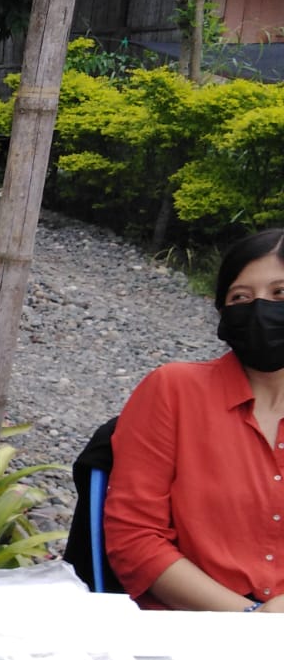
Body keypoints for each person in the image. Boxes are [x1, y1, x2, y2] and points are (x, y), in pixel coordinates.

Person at [105, 226, 284, 611]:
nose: (261, 310)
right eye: (241, 297)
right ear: (222, 312)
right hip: (191, 628)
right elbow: (134, 537)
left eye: (279, 293)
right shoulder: (174, 390)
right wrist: (250, 618)